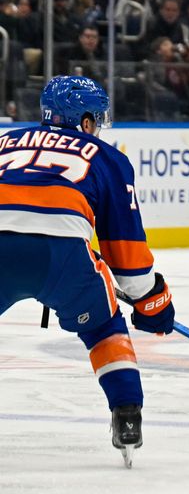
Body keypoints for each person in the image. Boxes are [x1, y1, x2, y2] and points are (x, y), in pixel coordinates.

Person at [0, 76, 176, 465]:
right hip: (60, 256)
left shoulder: (3, 141)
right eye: (96, 118)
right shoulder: (106, 157)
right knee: (102, 327)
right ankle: (127, 412)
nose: (98, 125)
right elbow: (127, 256)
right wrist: (152, 300)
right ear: (83, 121)